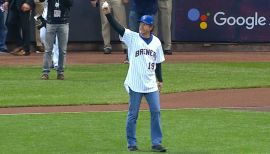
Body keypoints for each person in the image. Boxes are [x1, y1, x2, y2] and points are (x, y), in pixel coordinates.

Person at [102, 3, 166, 152]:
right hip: (135, 84)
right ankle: (132, 144)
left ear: (150, 27)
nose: (141, 26)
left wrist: (160, 80)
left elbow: (158, 63)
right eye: (141, 24)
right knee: (133, 115)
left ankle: (156, 143)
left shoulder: (156, 42)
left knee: (156, 112)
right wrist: (108, 14)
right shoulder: (132, 37)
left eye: (144, 24)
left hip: (151, 85)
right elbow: (118, 27)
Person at [40, 0, 73, 80]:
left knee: (62, 50)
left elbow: (70, 3)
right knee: (48, 49)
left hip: (63, 22)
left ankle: (60, 72)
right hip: (51, 22)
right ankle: (45, 72)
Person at [36, 0, 58, 69]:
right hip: (45, 17)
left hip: (56, 16)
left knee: (55, 41)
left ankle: (56, 63)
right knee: (42, 36)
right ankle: (52, 59)